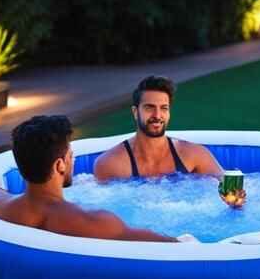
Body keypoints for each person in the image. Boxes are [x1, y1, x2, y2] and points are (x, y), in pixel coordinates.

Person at [0, 115, 195, 243]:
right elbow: (172, 246)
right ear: (59, 165)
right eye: (70, 156)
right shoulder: (95, 223)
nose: (72, 160)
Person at [92, 75, 244, 207]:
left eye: (164, 108)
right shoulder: (110, 164)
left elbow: (228, 188)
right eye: (149, 107)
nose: (157, 115)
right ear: (135, 112)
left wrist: (235, 201)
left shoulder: (193, 155)